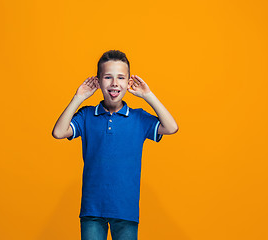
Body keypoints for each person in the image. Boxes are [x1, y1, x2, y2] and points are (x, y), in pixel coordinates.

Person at [52, 50, 178, 240]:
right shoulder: (87, 115)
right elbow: (59, 132)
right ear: (98, 81)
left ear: (129, 83)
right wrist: (79, 97)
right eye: (108, 77)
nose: (114, 83)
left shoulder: (138, 118)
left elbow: (171, 127)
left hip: (125, 209)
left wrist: (148, 95)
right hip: (92, 209)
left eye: (121, 77)